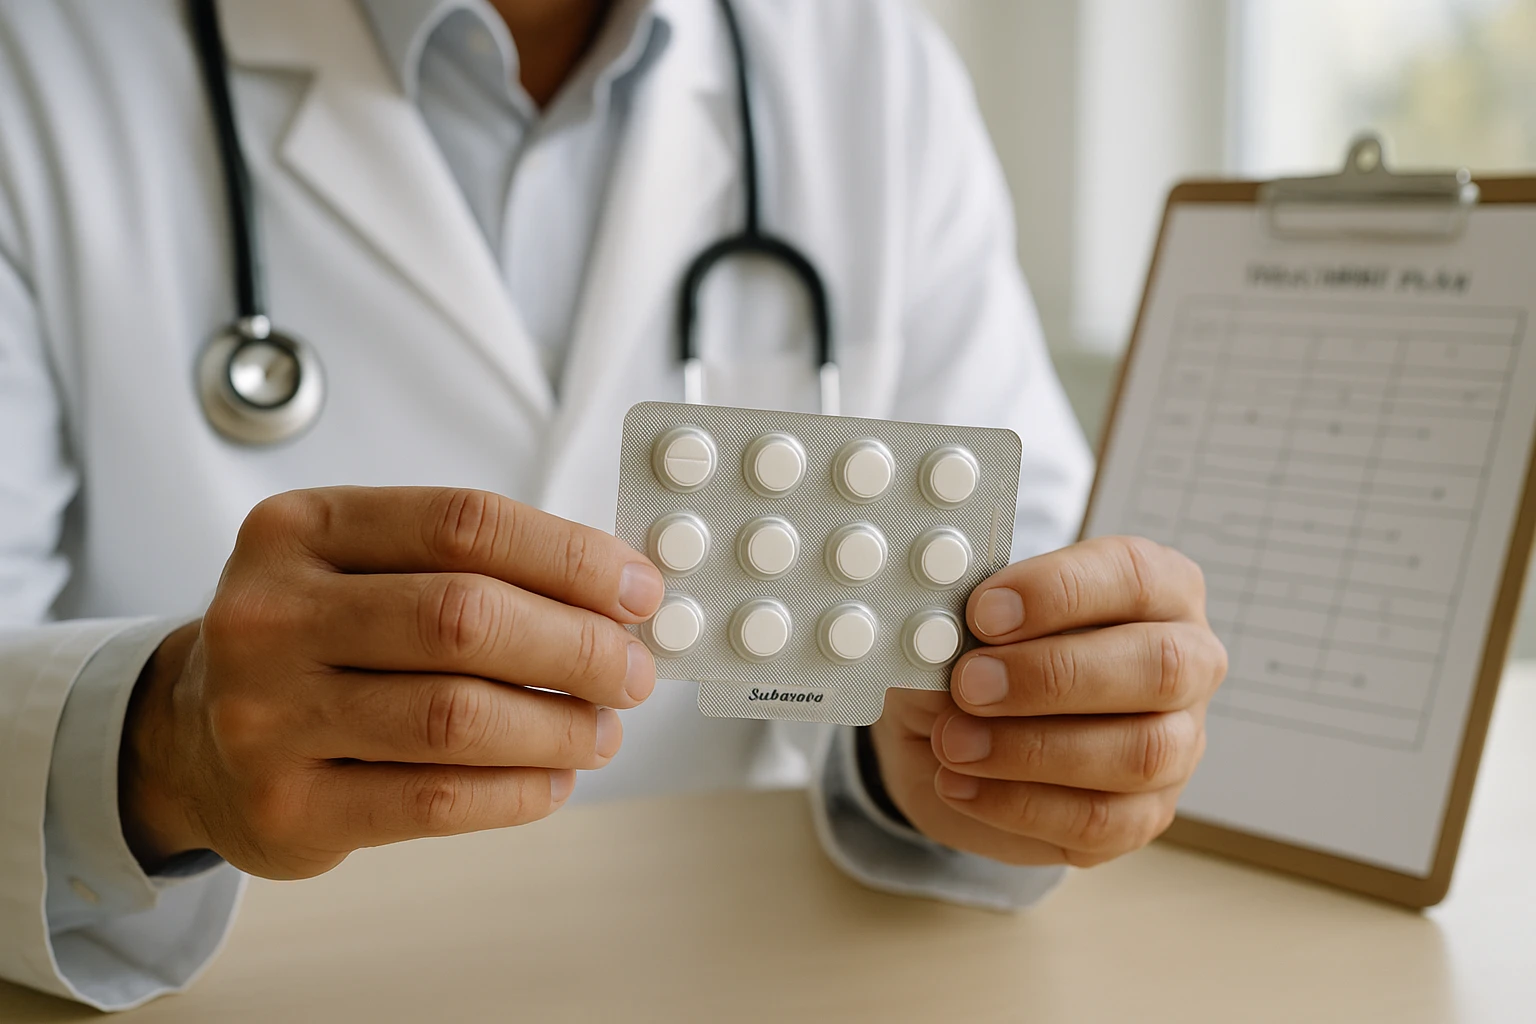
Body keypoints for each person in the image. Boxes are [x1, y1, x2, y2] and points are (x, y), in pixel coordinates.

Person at [0, 0, 1227, 1010]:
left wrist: (990, 749)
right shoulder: (40, 60)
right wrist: (163, 746)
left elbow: (1012, 579)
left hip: (735, 977)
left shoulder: (870, 68)